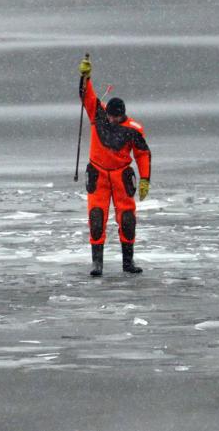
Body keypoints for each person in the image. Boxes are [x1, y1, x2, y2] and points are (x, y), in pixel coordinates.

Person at [78, 56, 151, 277]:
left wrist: (145, 179)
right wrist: (85, 76)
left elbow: (142, 154)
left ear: (122, 115)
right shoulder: (97, 114)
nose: (111, 120)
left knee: (127, 218)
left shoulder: (133, 129)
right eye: (109, 116)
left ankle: (128, 262)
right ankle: (97, 263)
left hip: (121, 176)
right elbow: (86, 95)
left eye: (115, 117)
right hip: (98, 174)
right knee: (96, 217)